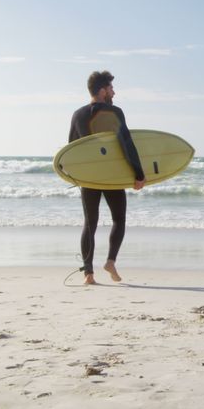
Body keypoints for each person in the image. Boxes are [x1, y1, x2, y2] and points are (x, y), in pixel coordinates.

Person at [68, 70, 145, 285]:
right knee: (119, 219)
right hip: (111, 176)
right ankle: (110, 261)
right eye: (111, 88)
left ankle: (88, 275)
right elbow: (126, 144)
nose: (114, 92)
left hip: (89, 177)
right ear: (102, 91)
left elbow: (72, 149)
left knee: (89, 224)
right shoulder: (114, 112)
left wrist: (77, 176)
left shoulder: (78, 115)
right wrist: (139, 174)